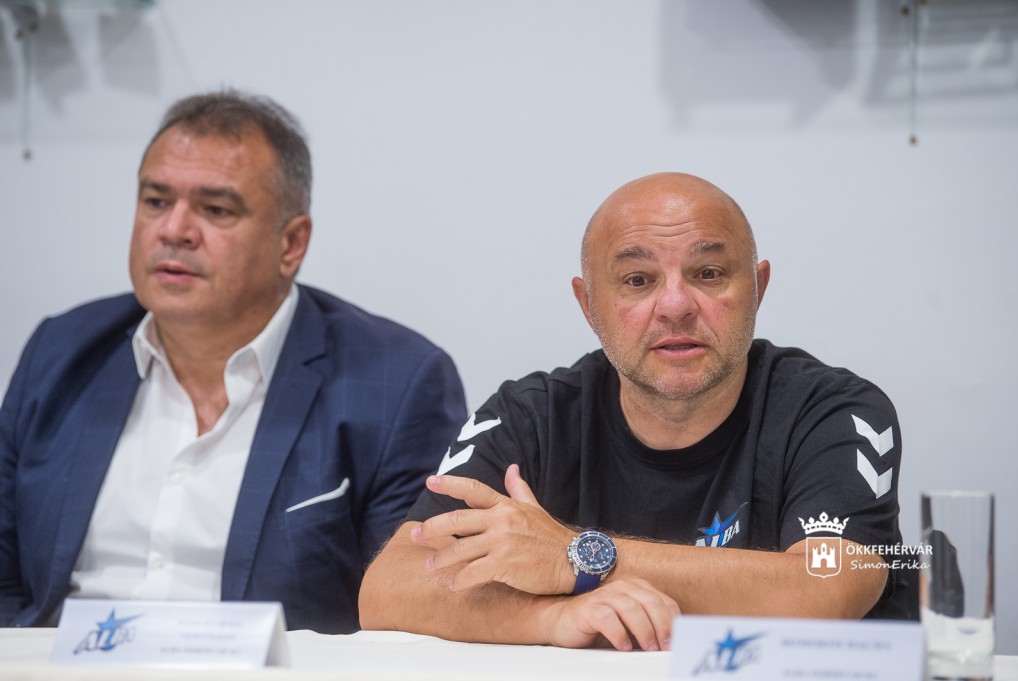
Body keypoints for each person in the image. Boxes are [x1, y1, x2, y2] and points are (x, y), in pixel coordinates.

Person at [359, 172, 912, 651]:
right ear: (588, 305)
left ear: (758, 288)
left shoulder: (836, 410)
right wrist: (550, 617)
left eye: (709, 273)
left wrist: (575, 557)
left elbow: (827, 586)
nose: (675, 306)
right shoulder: (530, 416)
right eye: (637, 281)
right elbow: (389, 588)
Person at [0, 90, 466, 634]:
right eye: (156, 201)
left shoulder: (397, 385)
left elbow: (412, 609)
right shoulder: (61, 352)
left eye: (215, 210)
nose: (173, 230)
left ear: (291, 244)